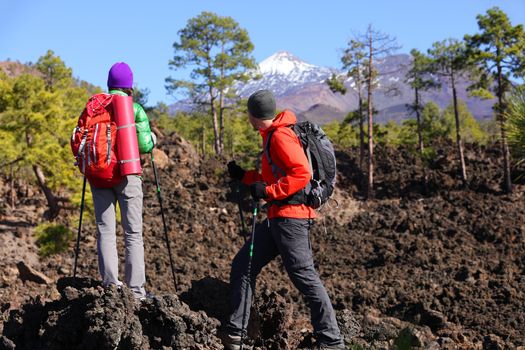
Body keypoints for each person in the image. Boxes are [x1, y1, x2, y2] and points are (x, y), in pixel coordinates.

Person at [220, 90, 344, 349]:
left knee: (304, 276)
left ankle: (332, 341)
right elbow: (273, 176)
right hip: (278, 218)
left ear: (253, 115)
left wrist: (268, 192)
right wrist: (244, 176)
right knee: (244, 265)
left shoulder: (280, 137)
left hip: (291, 220)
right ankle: (235, 333)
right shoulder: (272, 135)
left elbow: (301, 174)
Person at [89, 62, 154, 300]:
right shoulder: (134, 109)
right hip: (127, 176)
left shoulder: (95, 108)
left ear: (109, 84)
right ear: (129, 86)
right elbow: (146, 145)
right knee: (132, 233)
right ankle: (136, 292)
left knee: (105, 231)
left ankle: (111, 287)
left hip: (99, 176)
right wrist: (153, 139)